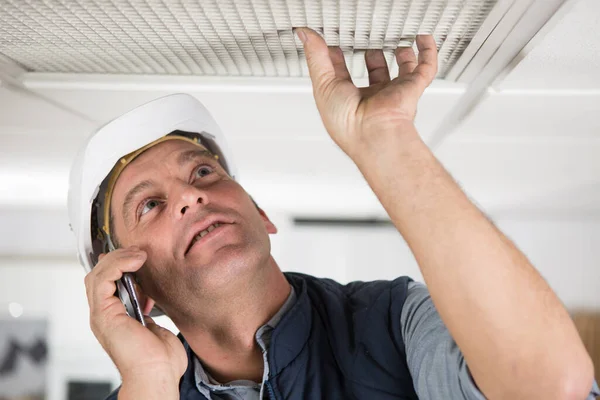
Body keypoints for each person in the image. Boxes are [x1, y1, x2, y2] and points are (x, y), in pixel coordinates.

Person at [67, 28, 599, 400]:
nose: (190, 195)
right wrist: (151, 385)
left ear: (260, 213)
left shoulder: (394, 322)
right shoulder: (145, 390)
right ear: (135, 289)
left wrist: (386, 141)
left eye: (203, 173)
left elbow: (549, 387)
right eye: (151, 205)